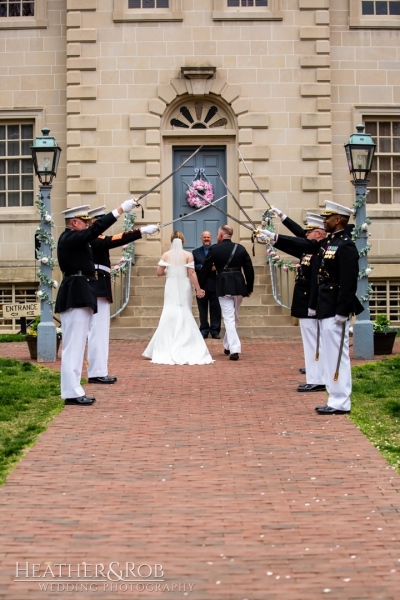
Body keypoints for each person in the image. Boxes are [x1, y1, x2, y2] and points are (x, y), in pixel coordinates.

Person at [55, 200, 136, 406]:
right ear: (74, 223)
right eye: (84, 222)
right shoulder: (70, 238)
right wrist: (119, 211)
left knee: (78, 343)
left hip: (82, 291)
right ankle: (71, 392)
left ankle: (73, 390)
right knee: (73, 346)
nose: (89, 226)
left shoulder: (77, 239)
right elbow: (97, 231)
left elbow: (98, 237)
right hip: (76, 291)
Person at [86, 205, 159, 384]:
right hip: (96, 287)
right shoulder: (93, 238)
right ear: (94, 222)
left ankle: (98, 370)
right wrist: (141, 231)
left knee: (100, 332)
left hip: (99, 286)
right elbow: (114, 240)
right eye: (100, 222)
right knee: (97, 331)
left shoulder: (93, 237)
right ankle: (96, 372)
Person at [264, 209, 327, 392]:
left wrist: (312, 305)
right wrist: (272, 239)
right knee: (310, 342)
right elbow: (293, 245)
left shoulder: (317, 250)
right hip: (303, 300)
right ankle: (315, 377)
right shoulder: (311, 248)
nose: (304, 235)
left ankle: (318, 379)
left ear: (317, 234)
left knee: (313, 342)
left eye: (308, 232)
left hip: (309, 301)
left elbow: (315, 279)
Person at [313, 201, 363, 415]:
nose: (324, 221)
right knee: (329, 354)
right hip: (326, 303)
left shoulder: (346, 245)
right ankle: (334, 398)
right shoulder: (330, 242)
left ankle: (341, 401)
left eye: (328, 218)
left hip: (336, 306)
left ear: (339, 220)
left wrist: (343, 310)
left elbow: (349, 280)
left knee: (337, 354)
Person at [142, 231, 214, 365]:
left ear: (171, 241)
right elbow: (191, 273)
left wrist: (169, 271)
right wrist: (198, 289)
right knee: (184, 310)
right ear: (183, 241)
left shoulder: (166, 255)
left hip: (171, 285)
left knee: (169, 312)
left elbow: (158, 272)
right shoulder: (188, 255)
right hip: (184, 284)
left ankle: (164, 345)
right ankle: (185, 343)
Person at [199, 225, 254, 361]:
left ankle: (234, 349)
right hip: (239, 285)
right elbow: (249, 269)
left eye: (217, 234)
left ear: (222, 235)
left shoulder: (214, 249)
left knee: (230, 318)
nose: (217, 236)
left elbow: (205, 268)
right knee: (233, 317)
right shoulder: (240, 248)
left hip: (223, 284)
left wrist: (200, 285)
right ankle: (228, 345)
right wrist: (249, 287)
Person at [193, 231, 221, 339]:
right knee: (202, 309)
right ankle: (204, 330)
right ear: (201, 239)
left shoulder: (217, 251)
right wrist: (208, 267)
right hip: (201, 285)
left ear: (211, 239)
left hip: (215, 284)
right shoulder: (195, 252)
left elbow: (219, 265)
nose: (206, 239)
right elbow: (194, 266)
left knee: (215, 309)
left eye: (208, 237)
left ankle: (215, 331)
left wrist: (203, 267)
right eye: (204, 237)